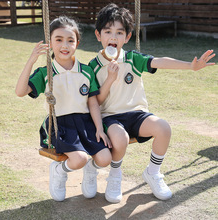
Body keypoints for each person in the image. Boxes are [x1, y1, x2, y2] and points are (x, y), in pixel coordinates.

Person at [86, 3, 216, 203]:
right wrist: (110, 79)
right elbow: (97, 101)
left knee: (163, 127)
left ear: (127, 37)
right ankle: (115, 175)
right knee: (119, 138)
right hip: (110, 117)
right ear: (98, 35)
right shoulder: (92, 67)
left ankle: (153, 173)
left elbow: (159, 61)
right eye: (108, 31)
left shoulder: (132, 59)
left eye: (120, 32)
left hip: (136, 113)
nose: (113, 37)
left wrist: (190, 66)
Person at [15, 16, 112, 202]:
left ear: (77, 43)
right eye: (58, 39)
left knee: (105, 158)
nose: (64, 45)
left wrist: (99, 128)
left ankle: (90, 173)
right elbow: (20, 92)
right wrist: (31, 60)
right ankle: (60, 171)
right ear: (50, 42)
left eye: (70, 40)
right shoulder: (46, 72)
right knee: (79, 159)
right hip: (61, 125)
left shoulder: (86, 71)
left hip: (85, 123)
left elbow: (93, 102)